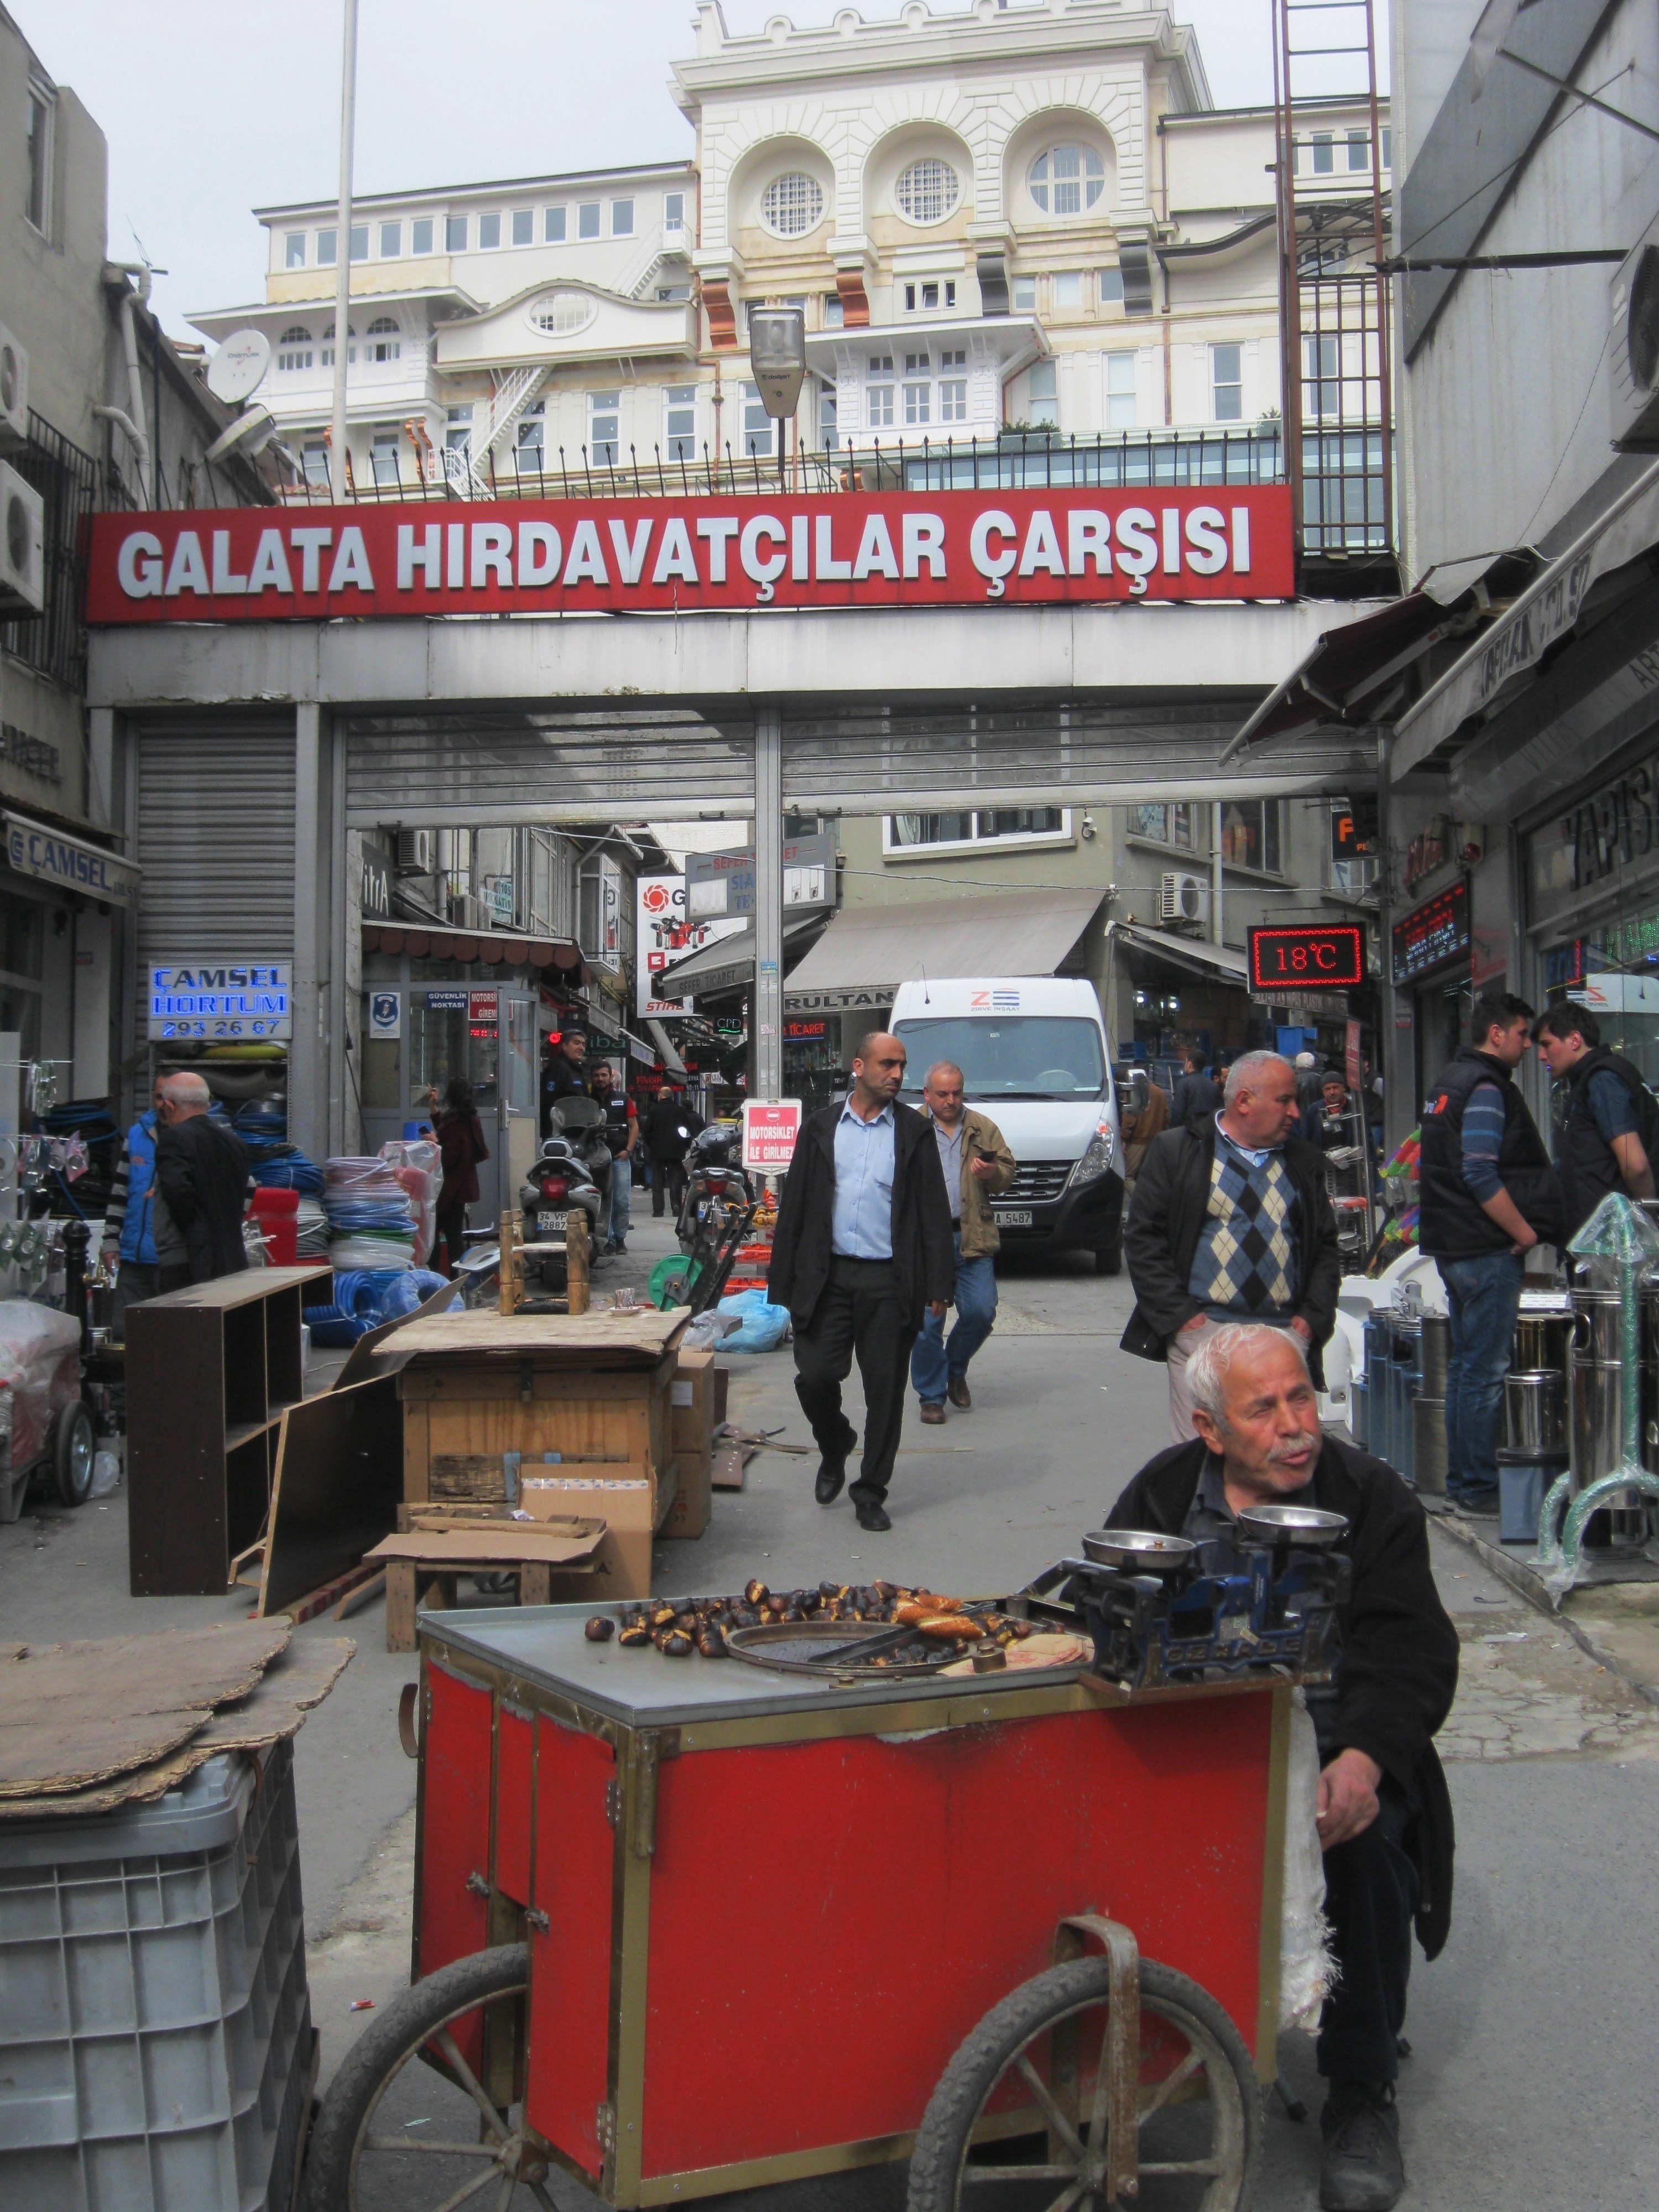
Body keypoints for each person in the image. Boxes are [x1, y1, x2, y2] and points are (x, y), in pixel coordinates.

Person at [1107, 1324, 1458, 2212]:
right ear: (1209, 1429)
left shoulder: (1372, 1498)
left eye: (1300, 1397)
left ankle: (1362, 2091)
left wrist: (1366, 1763)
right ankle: (1102, 2060)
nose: (1294, 1424)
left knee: (1365, 1850)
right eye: (1263, 1409)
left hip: (1337, 1746)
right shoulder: (1161, 1491)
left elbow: (1412, 1649)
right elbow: (1100, 1608)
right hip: (1197, 1742)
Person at [768, 1032, 954, 1532]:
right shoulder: (821, 1128)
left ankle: (870, 1491)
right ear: (858, 1066)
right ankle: (835, 1443)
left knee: (885, 1393)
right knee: (815, 1375)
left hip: (889, 1280)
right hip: (827, 1276)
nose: (896, 1074)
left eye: (902, 1066)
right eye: (887, 1064)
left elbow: (933, 1210)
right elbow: (798, 1206)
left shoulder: (914, 1133)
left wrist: (939, 1284)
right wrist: (781, 1281)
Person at [1121, 1047, 1340, 1443]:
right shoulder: (1179, 1152)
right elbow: (1143, 1241)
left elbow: (1325, 1249)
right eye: (1284, 1101)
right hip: (1204, 1336)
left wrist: (1309, 1324)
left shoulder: (1304, 1164)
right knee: (1198, 1459)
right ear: (1244, 1101)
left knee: (1277, 1455)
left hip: (1282, 1340)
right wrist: (1184, 1323)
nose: (1295, 1113)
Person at [1419, 993, 1563, 1510]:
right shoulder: (1485, 1088)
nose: (1529, 1046)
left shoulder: (1447, 1083)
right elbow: (1479, 1169)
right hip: (1484, 1249)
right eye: (1524, 1035)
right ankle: (1478, 1486)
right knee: (1484, 1370)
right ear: (1497, 1034)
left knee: (1465, 1367)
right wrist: (1523, 1233)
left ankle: (1462, 1481)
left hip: (1453, 1247)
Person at [910, 1060, 1016, 1424]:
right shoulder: (910, 1128)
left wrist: (993, 1173)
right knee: (927, 1324)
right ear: (927, 1094)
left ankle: (954, 1368)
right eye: (942, 1094)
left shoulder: (982, 1128)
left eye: (957, 1093)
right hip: (925, 1242)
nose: (951, 1100)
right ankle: (931, 1397)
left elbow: (1007, 1174)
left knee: (982, 1311)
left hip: (971, 1234)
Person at [1533, 1001, 1659, 1238]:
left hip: (1615, 1244)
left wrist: (1647, 1224)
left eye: (1547, 1044)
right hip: (1603, 1239)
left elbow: (1636, 1165)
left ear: (1574, 1040)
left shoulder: (1603, 1081)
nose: (1541, 1056)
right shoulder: (1589, 1081)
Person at [152, 1073, 252, 1290]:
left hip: (187, 1261)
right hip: (232, 1260)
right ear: (207, 1105)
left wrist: (193, 1228)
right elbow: (246, 1191)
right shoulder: (236, 1144)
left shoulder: (174, 1139)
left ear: (170, 1106)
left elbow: (178, 1193)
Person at [100, 1074, 166, 1338]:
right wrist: (110, 1241)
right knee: (125, 1336)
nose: (163, 1104)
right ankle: (124, 1383)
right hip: (133, 1260)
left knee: (166, 1339)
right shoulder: (137, 1135)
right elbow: (120, 1192)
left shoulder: (191, 1137)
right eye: (158, 1096)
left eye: (169, 1098)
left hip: (170, 1263)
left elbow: (247, 1185)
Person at [431, 1076, 489, 1278]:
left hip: (450, 1187)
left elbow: (449, 1156)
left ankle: (438, 1278)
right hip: (460, 1186)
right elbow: (448, 1134)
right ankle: (456, 1281)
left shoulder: (457, 1122)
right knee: (453, 1232)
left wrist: (435, 1142)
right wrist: (434, 1112)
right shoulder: (467, 1119)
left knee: (435, 1233)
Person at [590, 1060, 638, 1254]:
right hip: (595, 1160)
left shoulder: (623, 1098)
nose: (600, 1079)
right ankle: (606, 1239)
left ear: (611, 1077)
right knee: (601, 1201)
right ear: (592, 1078)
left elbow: (634, 1126)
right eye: (597, 1076)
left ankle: (620, 1238)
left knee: (621, 1200)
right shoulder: (587, 1100)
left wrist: (628, 1151)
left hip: (619, 1159)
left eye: (604, 1075)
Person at [644, 1084, 704, 1219]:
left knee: (657, 1181)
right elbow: (685, 1130)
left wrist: (651, 1144)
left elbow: (647, 1131)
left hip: (657, 1150)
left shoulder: (654, 1111)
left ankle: (658, 1210)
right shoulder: (679, 1111)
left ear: (660, 1096)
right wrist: (686, 1145)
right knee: (675, 1180)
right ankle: (676, 1206)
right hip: (676, 1151)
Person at [1119, 1063, 1170, 1213]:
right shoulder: (1160, 1092)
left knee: (1128, 1177)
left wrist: (1124, 1138)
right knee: (1148, 1176)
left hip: (1137, 1140)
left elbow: (1130, 1118)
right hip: (1156, 1139)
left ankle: (1143, 1205)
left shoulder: (1135, 1091)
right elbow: (1167, 1117)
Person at [541, 1029, 591, 1139]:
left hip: (578, 1132)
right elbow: (548, 1102)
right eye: (576, 1043)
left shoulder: (579, 1069)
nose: (581, 1048)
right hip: (560, 1134)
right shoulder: (558, 1068)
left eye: (583, 1044)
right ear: (564, 1046)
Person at [1171, 1047, 1220, 1131]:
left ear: (1189, 1064)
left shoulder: (1183, 1084)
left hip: (1188, 1133)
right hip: (1207, 1134)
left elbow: (1177, 1114)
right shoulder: (1214, 1087)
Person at [1313, 1070, 1355, 1152]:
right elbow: (1308, 1139)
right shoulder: (1314, 1110)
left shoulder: (1355, 1109)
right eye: (1328, 1089)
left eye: (1335, 1088)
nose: (1332, 1092)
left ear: (1344, 1088)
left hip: (1351, 1159)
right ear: (1323, 1092)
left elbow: (1368, 1139)